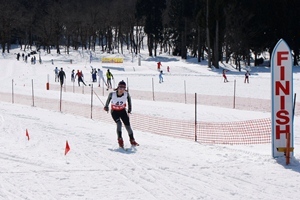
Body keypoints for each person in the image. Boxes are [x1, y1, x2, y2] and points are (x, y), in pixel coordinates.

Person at [104, 80, 139, 148]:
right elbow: (107, 101)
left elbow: (129, 101)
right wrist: (106, 106)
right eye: (120, 88)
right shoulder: (112, 94)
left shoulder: (126, 94)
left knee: (128, 126)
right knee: (119, 124)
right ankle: (120, 140)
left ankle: (132, 140)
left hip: (123, 111)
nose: (122, 90)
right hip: (114, 112)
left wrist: (129, 109)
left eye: (123, 88)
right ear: (118, 87)